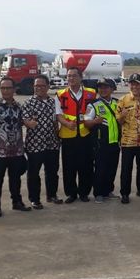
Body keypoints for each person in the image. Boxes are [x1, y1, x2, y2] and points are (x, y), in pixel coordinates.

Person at [0, 77, 31, 218]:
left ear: (14, 89)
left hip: (16, 150)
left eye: (8, 88)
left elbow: (24, 122)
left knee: (15, 179)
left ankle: (17, 202)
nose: (5, 91)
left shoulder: (18, 106)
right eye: (3, 88)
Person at [55, 67, 97, 204]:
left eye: (74, 76)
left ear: (80, 77)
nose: (71, 78)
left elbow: (95, 111)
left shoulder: (91, 93)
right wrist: (66, 124)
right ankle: (71, 193)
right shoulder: (60, 94)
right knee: (69, 167)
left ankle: (84, 192)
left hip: (86, 135)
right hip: (68, 135)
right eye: (68, 76)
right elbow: (58, 114)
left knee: (86, 166)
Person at [22, 75, 62, 209]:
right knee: (33, 173)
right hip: (35, 144)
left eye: (41, 86)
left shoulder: (53, 102)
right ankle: (34, 199)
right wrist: (29, 123)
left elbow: (56, 120)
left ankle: (52, 195)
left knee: (52, 171)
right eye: (36, 86)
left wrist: (58, 134)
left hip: (52, 143)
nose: (38, 88)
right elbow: (25, 121)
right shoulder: (28, 103)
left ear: (48, 87)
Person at [117, 73, 140, 204]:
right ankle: (125, 193)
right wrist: (122, 116)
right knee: (126, 169)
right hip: (128, 141)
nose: (134, 86)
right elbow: (119, 123)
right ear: (129, 85)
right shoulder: (122, 100)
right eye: (132, 83)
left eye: (137, 83)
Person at [84, 78, 120, 204]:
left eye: (106, 87)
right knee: (100, 169)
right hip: (100, 143)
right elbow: (86, 122)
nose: (103, 90)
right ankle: (98, 193)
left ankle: (108, 191)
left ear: (112, 89)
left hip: (115, 142)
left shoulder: (117, 103)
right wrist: (95, 121)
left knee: (112, 168)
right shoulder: (93, 105)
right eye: (100, 87)